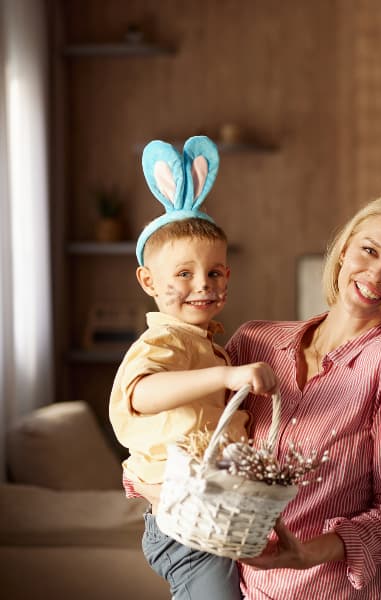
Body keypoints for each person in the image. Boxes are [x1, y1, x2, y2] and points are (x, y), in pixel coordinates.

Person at [226, 194, 381, 599]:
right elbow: (206, 451)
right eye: (369, 250)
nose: (378, 275)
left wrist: (305, 554)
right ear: (344, 251)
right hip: (239, 587)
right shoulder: (253, 341)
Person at [109, 136, 277, 600]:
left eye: (216, 272)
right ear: (148, 281)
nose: (202, 284)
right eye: (183, 273)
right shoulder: (165, 339)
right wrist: (226, 377)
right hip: (184, 525)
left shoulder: (208, 345)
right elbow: (140, 393)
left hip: (209, 514)